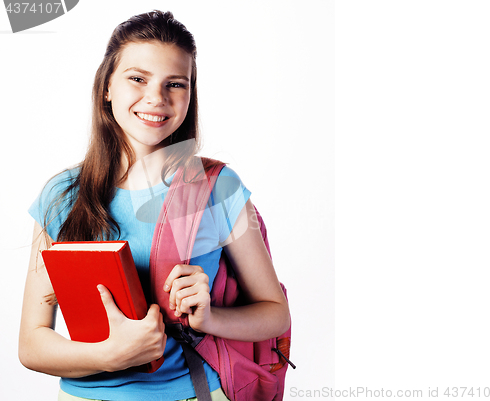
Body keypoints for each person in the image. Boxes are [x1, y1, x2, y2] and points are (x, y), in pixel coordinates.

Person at [18, 10, 290, 401]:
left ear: (190, 94)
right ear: (107, 86)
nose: (156, 98)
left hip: (192, 393)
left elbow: (274, 313)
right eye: (137, 78)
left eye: (175, 84)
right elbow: (31, 343)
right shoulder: (62, 195)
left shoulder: (218, 187)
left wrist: (211, 317)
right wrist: (111, 355)